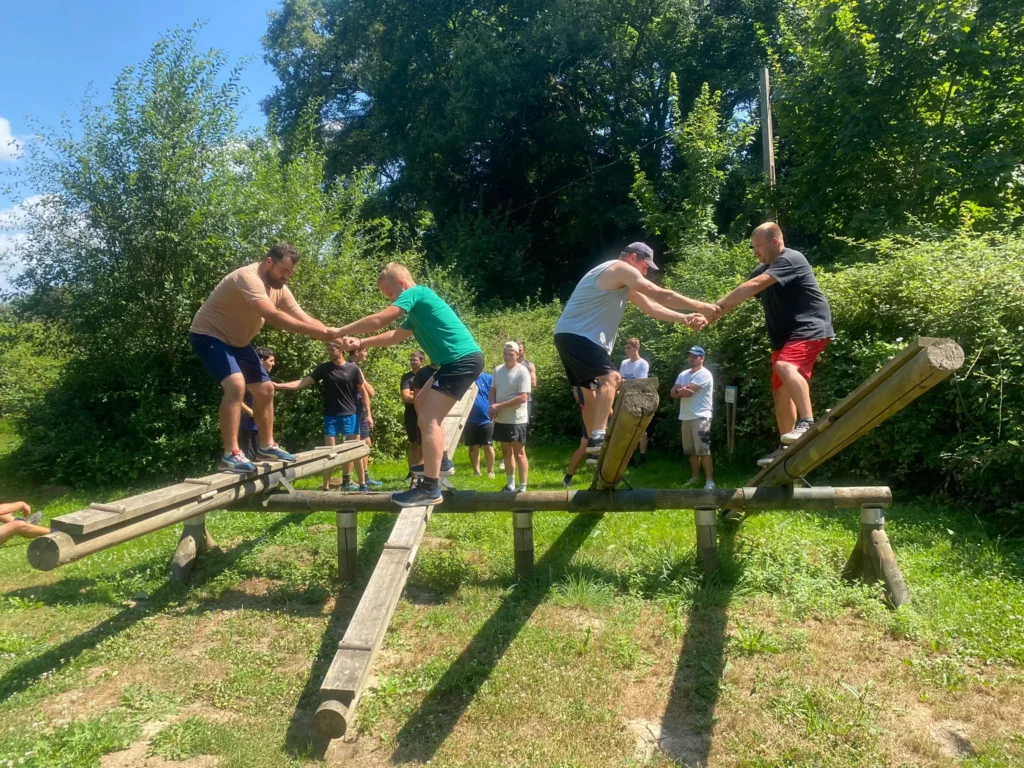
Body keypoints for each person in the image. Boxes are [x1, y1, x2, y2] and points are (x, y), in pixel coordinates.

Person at [190, 242, 345, 474]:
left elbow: (305, 318)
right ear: (269, 261)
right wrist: (316, 333)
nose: (286, 278)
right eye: (283, 271)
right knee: (236, 385)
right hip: (208, 335)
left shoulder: (280, 288)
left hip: (239, 343)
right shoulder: (247, 277)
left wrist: (332, 334)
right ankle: (230, 454)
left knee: (265, 389)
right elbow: (271, 315)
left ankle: (266, 446)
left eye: (290, 274)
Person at [336, 263, 484, 506]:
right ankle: (442, 460)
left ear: (402, 284)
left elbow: (380, 320)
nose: (390, 299)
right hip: (452, 363)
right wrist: (361, 342)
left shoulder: (417, 293)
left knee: (429, 420)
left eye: (390, 294)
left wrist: (342, 330)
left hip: (461, 360)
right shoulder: (416, 311)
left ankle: (429, 488)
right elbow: (394, 336)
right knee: (421, 400)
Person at [553, 242, 716, 458]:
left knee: (589, 390)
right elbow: (660, 294)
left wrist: (684, 318)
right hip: (582, 336)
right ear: (632, 258)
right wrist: (702, 306)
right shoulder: (620, 269)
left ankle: (594, 446)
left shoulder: (617, 280)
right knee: (612, 379)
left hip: (565, 335)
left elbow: (651, 307)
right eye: (645, 265)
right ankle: (600, 436)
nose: (646, 271)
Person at [713, 223, 835, 467]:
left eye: (758, 246)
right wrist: (708, 313)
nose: (755, 251)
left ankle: (807, 423)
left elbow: (754, 286)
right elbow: (742, 293)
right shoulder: (763, 267)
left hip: (810, 327)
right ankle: (786, 448)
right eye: (753, 247)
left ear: (776, 242)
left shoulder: (791, 259)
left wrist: (716, 306)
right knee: (780, 389)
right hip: (786, 337)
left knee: (786, 366)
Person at [275, 340, 371, 491]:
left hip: (350, 415)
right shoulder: (324, 368)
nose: (329, 352)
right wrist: (279, 386)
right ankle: (325, 487)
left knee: (355, 451)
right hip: (331, 416)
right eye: (328, 349)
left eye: (332, 349)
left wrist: (368, 415)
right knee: (329, 453)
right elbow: (303, 383)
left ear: (341, 350)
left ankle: (363, 484)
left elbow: (363, 392)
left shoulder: (353, 368)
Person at [671, 346, 715, 490]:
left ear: (702, 358)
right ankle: (695, 478)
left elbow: (689, 392)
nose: (692, 359)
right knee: (691, 451)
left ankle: (710, 481)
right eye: (690, 356)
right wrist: (680, 391)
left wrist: (681, 391)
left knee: (703, 449)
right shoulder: (683, 374)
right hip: (686, 416)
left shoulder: (704, 374)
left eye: (695, 356)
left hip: (701, 416)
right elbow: (673, 392)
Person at [490, 342, 531, 492]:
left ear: (518, 355)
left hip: (516, 419)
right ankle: (511, 485)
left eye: (510, 354)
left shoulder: (522, 372)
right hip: (501, 418)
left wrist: (499, 406)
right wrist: (493, 407)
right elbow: (492, 391)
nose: (507, 356)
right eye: (505, 353)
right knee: (506, 451)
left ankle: (523, 487)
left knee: (519, 453)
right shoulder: (497, 370)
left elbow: (523, 397)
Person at [349, 347, 383, 488]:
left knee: (365, 443)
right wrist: (368, 385)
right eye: (365, 350)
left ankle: (365, 476)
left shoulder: (355, 367)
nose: (366, 353)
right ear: (357, 352)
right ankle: (350, 480)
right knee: (358, 444)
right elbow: (370, 392)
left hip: (359, 409)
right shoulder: (353, 367)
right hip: (354, 409)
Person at [239, 347, 276, 463]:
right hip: (250, 427)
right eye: (271, 361)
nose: (273, 364)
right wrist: (251, 412)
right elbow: (236, 400)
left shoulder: (264, 380)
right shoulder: (246, 378)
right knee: (252, 460)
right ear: (261, 361)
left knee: (264, 459)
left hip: (263, 427)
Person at [619, 337, 651, 464]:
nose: (627, 350)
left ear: (636, 348)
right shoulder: (624, 363)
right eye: (626, 348)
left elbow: (640, 383)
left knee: (640, 429)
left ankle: (642, 457)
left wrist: (626, 383)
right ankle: (629, 457)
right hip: (625, 399)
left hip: (639, 399)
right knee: (626, 429)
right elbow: (620, 380)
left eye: (629, 348)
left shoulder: (643, 364)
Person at [465, 370, 496, 478]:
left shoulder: (489, 378)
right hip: (469, 419)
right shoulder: (466, 378)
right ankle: (476, 472)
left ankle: (490, 471)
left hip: (486, 419)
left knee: (488, 446)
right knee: (473, 447)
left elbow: (495, 395)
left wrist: (494, 411)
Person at [562, 385, 593, 488]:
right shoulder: (590, 375)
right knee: (585, 446)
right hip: (591, 413)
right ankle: (568, 477)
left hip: (597, 413)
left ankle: (602, 478)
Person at [516, 340, 538, 431]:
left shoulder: (529, 365)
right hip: (508, 398)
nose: (518, 352)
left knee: (523, 425)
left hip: (525, 400)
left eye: (520, 350)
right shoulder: (506, 366)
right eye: (516, 349)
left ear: (524, 351)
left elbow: (533, 384)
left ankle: (521, 445)